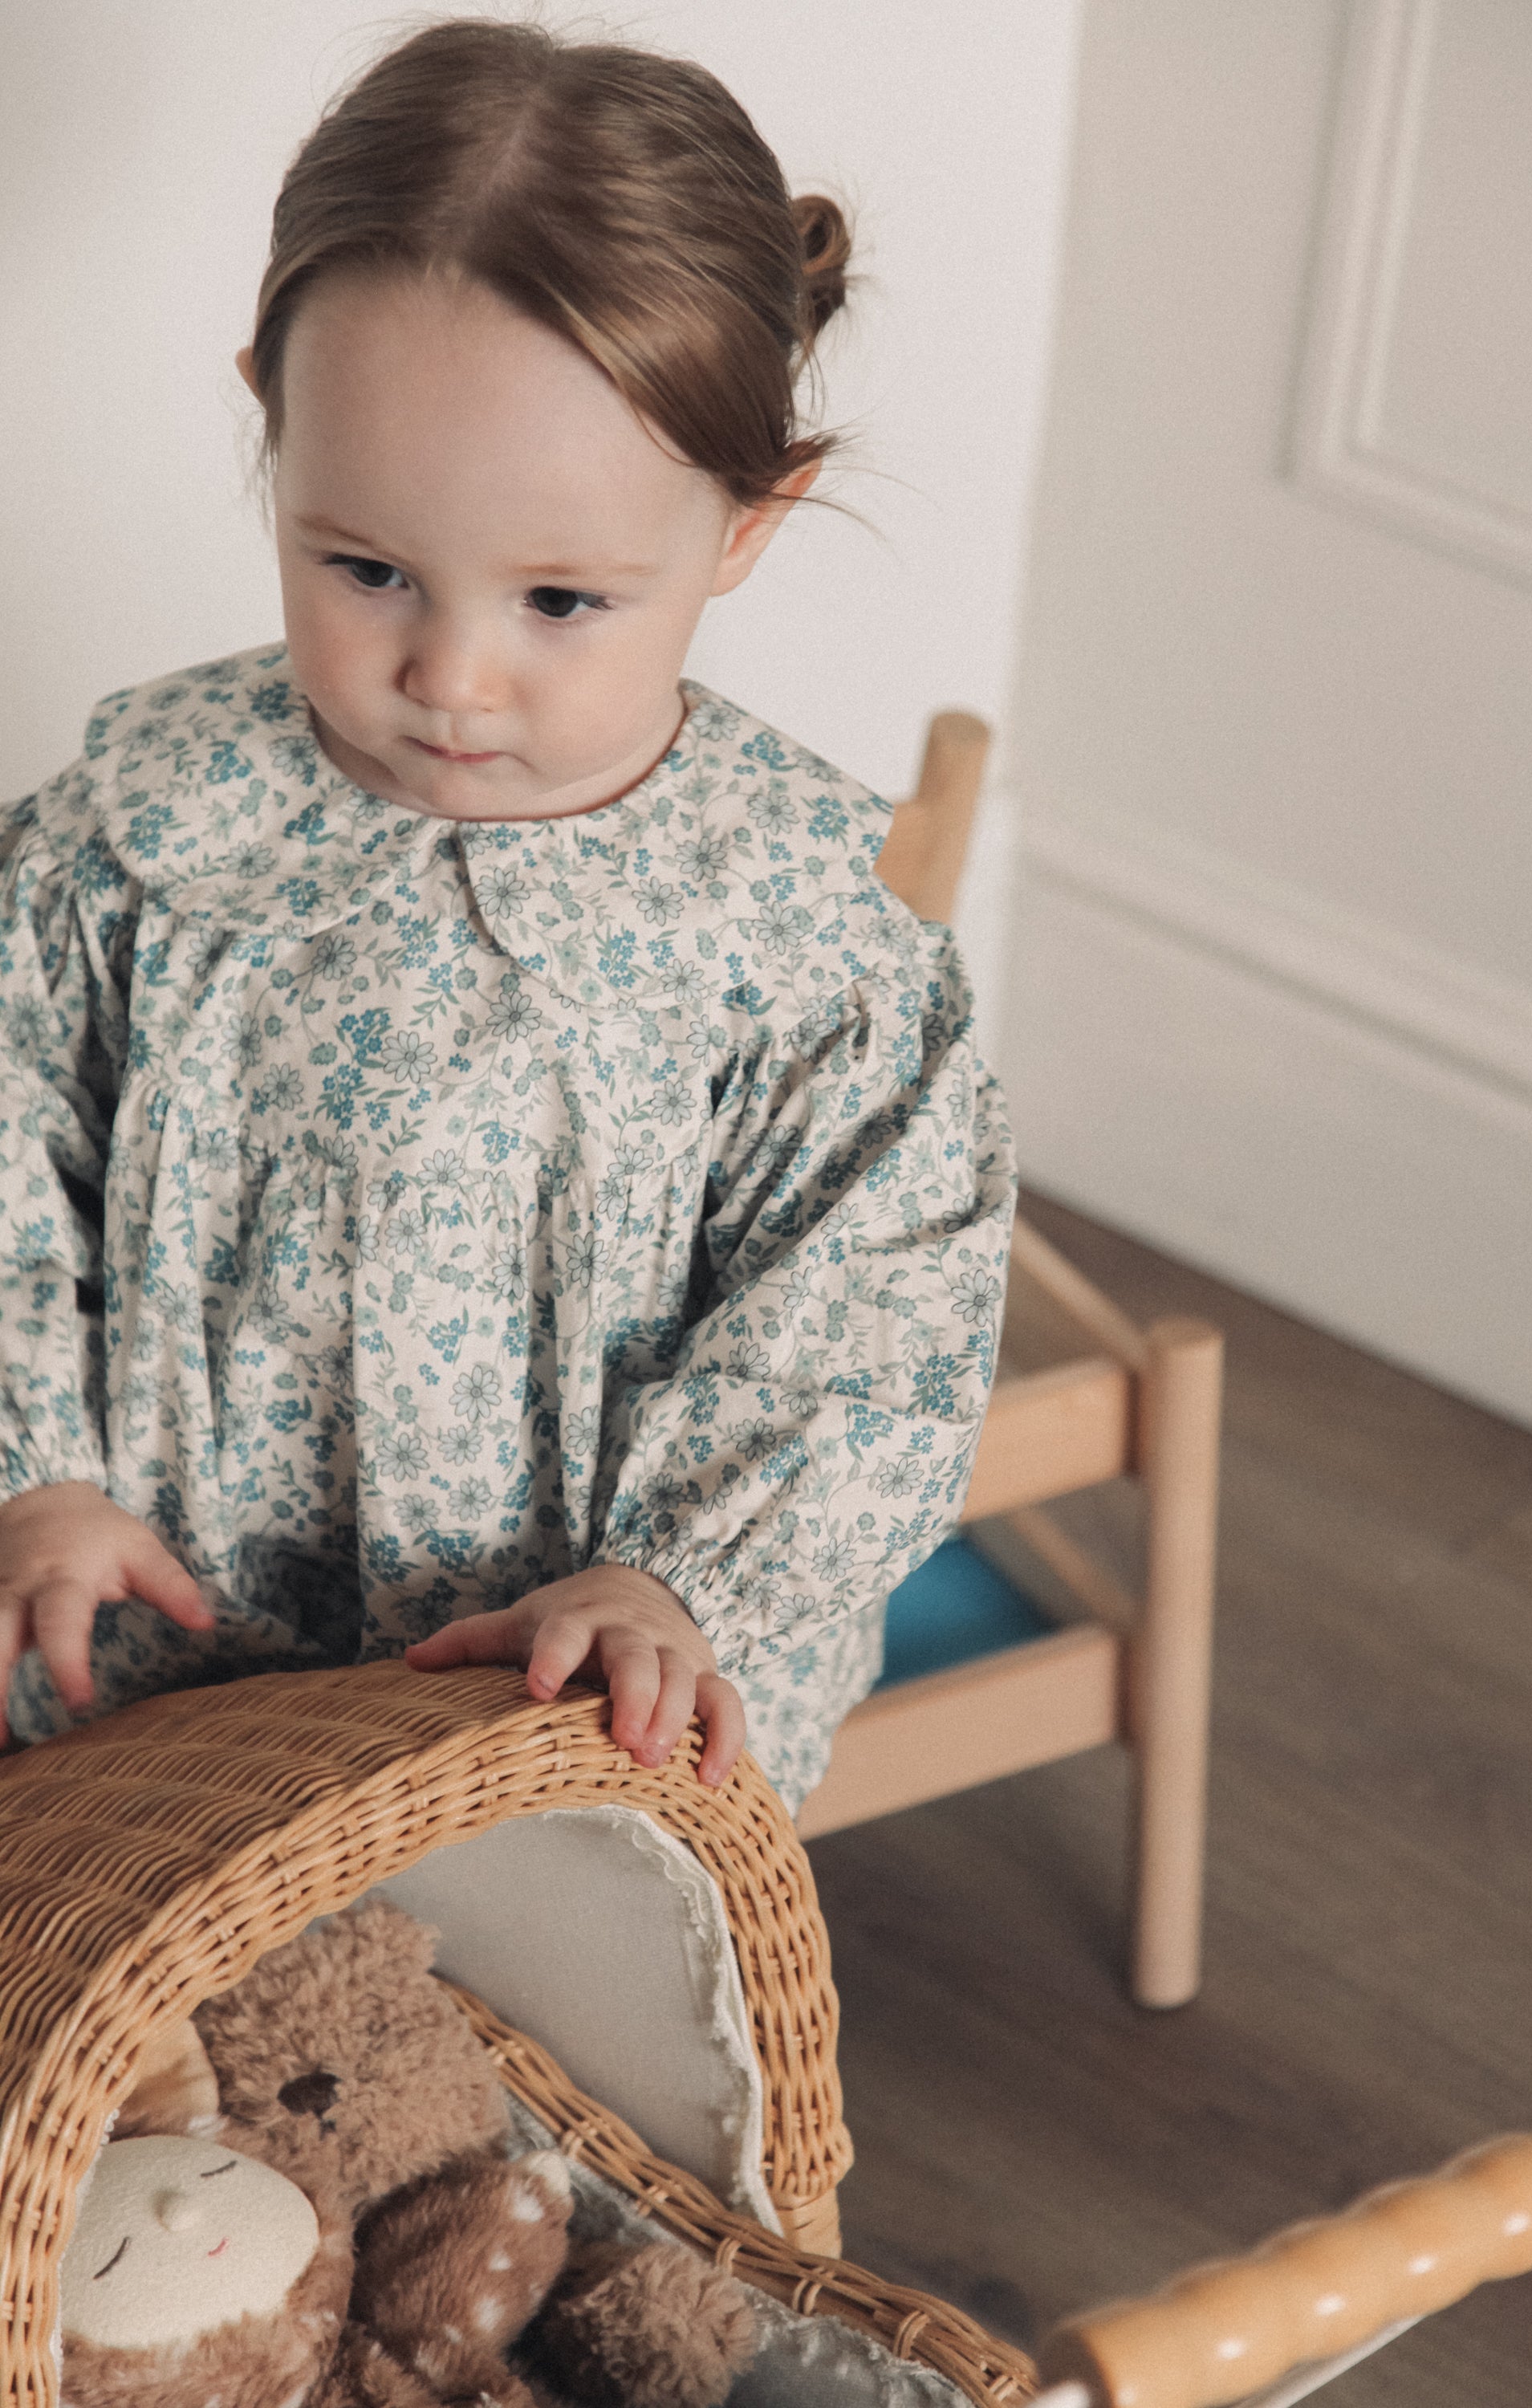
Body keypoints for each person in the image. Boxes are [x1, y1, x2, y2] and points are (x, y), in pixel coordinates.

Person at [0, 18, 1014, 1811]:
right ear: (272, 426)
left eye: (560, 597)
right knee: (148, 2019)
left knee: (513, 2031)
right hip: (152, 1654)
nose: (449, 676)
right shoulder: (138, 843)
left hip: (556, 1693)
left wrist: (683, 1577)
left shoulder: (801, 947)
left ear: (744, 524)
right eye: (365, 567)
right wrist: (33, 1471)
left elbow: (871, 1315)